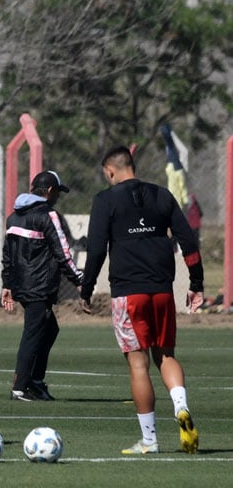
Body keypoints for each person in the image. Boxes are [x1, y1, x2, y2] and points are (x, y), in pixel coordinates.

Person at [80, 145, 204, 455]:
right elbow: (187, 239)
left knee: (138, 364)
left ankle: (149, 440)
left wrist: (86, 288)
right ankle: (180, 406)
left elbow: (95, 249)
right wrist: (196, 283)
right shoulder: (162, 195)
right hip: (162, 290)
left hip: (128, 292)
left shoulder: (105, 200)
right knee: (166, 355)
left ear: (110, 171)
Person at [0, 170, 83, 402]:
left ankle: (35, 381)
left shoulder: (14, 217)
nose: (57, 197)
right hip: (40, 285)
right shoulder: (49, 215)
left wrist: (7, 283)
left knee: (49, 329)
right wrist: (80, 281)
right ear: (48, 191)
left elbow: (7, 255)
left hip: (22, 285)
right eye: (57, 192)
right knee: (33, 333)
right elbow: (62, 252)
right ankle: (21, 387)